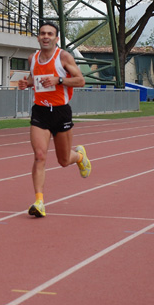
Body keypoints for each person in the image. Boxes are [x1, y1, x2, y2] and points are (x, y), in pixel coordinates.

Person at [18, 21, 92, 218]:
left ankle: (79, 156)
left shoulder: (64, 56)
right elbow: (34, 78)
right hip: (40, 112)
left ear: (56, 38)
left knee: (63, 160)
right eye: (42, 33)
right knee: (40, 156)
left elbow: (81, 80)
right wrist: (26, 83)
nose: (46, 36)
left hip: (61, 112)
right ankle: (39, 201)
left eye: (50, 34)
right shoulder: (32, 58)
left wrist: (59, 80)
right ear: (38, 37)